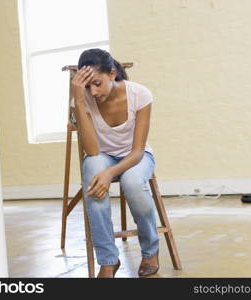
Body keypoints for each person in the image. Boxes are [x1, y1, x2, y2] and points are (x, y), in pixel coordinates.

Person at [71, 48, 159, 278]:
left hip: (136, 156)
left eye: (97, 83)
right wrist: (79, 102)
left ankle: (150, 251)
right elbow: (92, 150)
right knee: (91, 168)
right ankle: (108, 261)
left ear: (112, 74)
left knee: (132, 182)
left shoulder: (140, 94)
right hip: (103, 155)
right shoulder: (85, 99)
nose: (93, 91)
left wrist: (110, 173)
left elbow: (138, 151)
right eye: (87, 86)